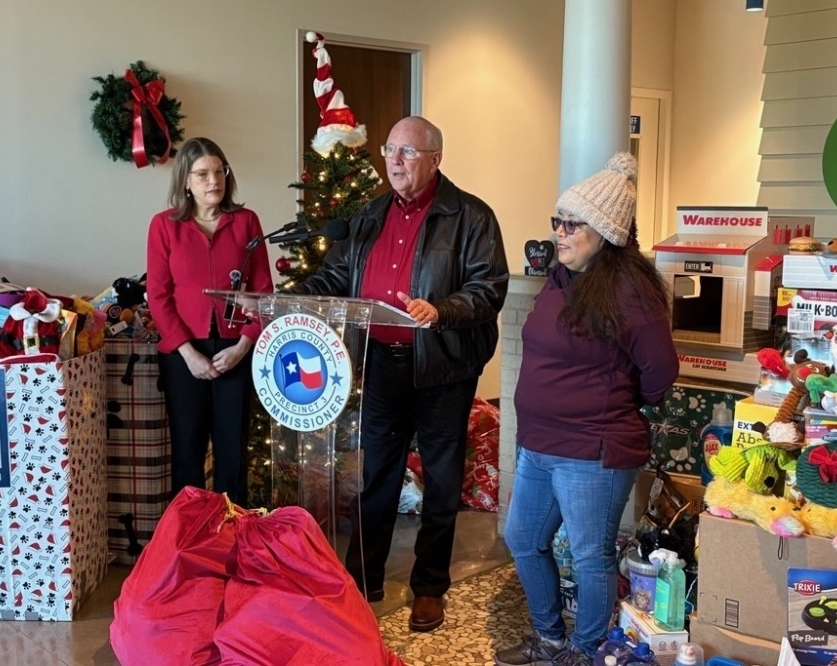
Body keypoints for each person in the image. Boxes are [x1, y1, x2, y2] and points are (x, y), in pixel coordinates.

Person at [286, 116, 509, 632]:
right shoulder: (369, 215)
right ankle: (363, 580)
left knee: (441, 479)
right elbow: (338, 275)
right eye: (390, 150)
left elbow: (488, 287)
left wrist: (441, 310)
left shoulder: (470, 216)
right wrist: (292, 297)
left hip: (443, 368)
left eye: (407, 152)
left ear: (435, 159)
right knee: (378, 476)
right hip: (382, 365)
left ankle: (430, 587)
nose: (395, 160)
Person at [495, 153, 679, 666]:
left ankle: (587, 651)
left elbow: (660, 373)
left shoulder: (631, 290)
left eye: (572, 223)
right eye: (557, 220)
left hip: (592, 449)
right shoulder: (560, 279)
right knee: (523, 539)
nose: (559, 231)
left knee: (589, 555)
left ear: (606, 231)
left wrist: (613, 400)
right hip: (539, 444)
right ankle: (551, 638)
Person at [146, 137, 273, 506]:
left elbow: (262, 293)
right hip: (184, 353)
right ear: (185, 180)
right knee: (187, 449)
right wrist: (188, 353)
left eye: (219, 172)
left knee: (233, 450)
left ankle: (234, 540)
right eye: (202, 174)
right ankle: (189, 541)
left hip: (235, 350)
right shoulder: (164, 226)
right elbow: (159, 296)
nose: (213, 181)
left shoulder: (247, 222)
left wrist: (243, 346)